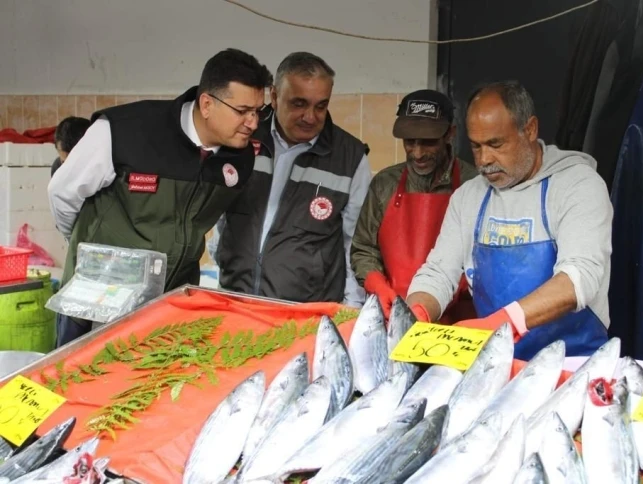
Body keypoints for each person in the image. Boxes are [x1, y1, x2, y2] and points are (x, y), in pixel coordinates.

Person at [48, 48, 272, 346]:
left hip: (168, 306)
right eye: (242, 111)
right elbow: (62, 194)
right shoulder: (125, 131)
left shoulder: (240, 158)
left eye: (258, 111)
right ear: (207, 104)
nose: (253, 122)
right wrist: (86, 252)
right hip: (96, 304)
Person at [406, 81, 613, 360]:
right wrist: (416, 311)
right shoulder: (469, 196)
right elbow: (439, 272)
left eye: (495, 144)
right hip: (497, 364)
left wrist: (504, 321)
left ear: (529, 130)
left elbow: (578, 278)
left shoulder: (578, 185)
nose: (484, 160)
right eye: (476, 147)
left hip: (573, 365)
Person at [215, 52, 371, 306]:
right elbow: (222, 217)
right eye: (299, 104)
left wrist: (350, 312)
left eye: (321, 106)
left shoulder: (350, 158)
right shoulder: (243, 140)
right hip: (235, 302)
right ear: (274, 97)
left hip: (305, 315)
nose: (310, 117)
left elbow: (355, 245)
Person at [350, 89, 478, 319]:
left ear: (450, 134)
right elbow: (363, 249)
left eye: (428, 143)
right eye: (410, 142)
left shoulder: (473, 183)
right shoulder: (384, 184)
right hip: (395, 313)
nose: (417, 153)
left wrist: (457, 286)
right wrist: (378, 285)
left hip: (460, 320)